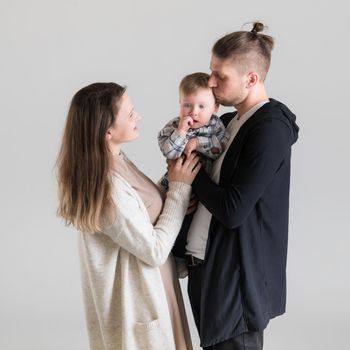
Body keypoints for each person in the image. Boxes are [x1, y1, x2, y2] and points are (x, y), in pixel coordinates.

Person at [173, 22, 299, 349]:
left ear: (251, 79)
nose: (211, 83)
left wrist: (191, 174)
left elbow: (233, 210)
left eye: (221, 76)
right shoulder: (227, 123)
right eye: (210, 72)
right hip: (208, 269)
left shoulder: (269, 129)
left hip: (237, 281)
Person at [56, 82, 201, 350]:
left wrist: (170, 186)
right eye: (130, 113)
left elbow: (139, 212)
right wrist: (179, 191)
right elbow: (154, 250)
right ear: (107, 130)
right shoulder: (106, 187)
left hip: (159, 290)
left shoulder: (117, 160)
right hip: (141, 307)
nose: (138, 117)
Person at [158, 72, 229, 190]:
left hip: (204, 186)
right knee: (155, 198)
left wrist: (197, 142)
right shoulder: (175, 125)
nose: (194, 112)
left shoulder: (215, 125)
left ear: (215, 108)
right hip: (174, 183)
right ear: (180, 103)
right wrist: (181, 132)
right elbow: (169, 153)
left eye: (201, 106)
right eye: (187, 105)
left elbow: (221, 148)